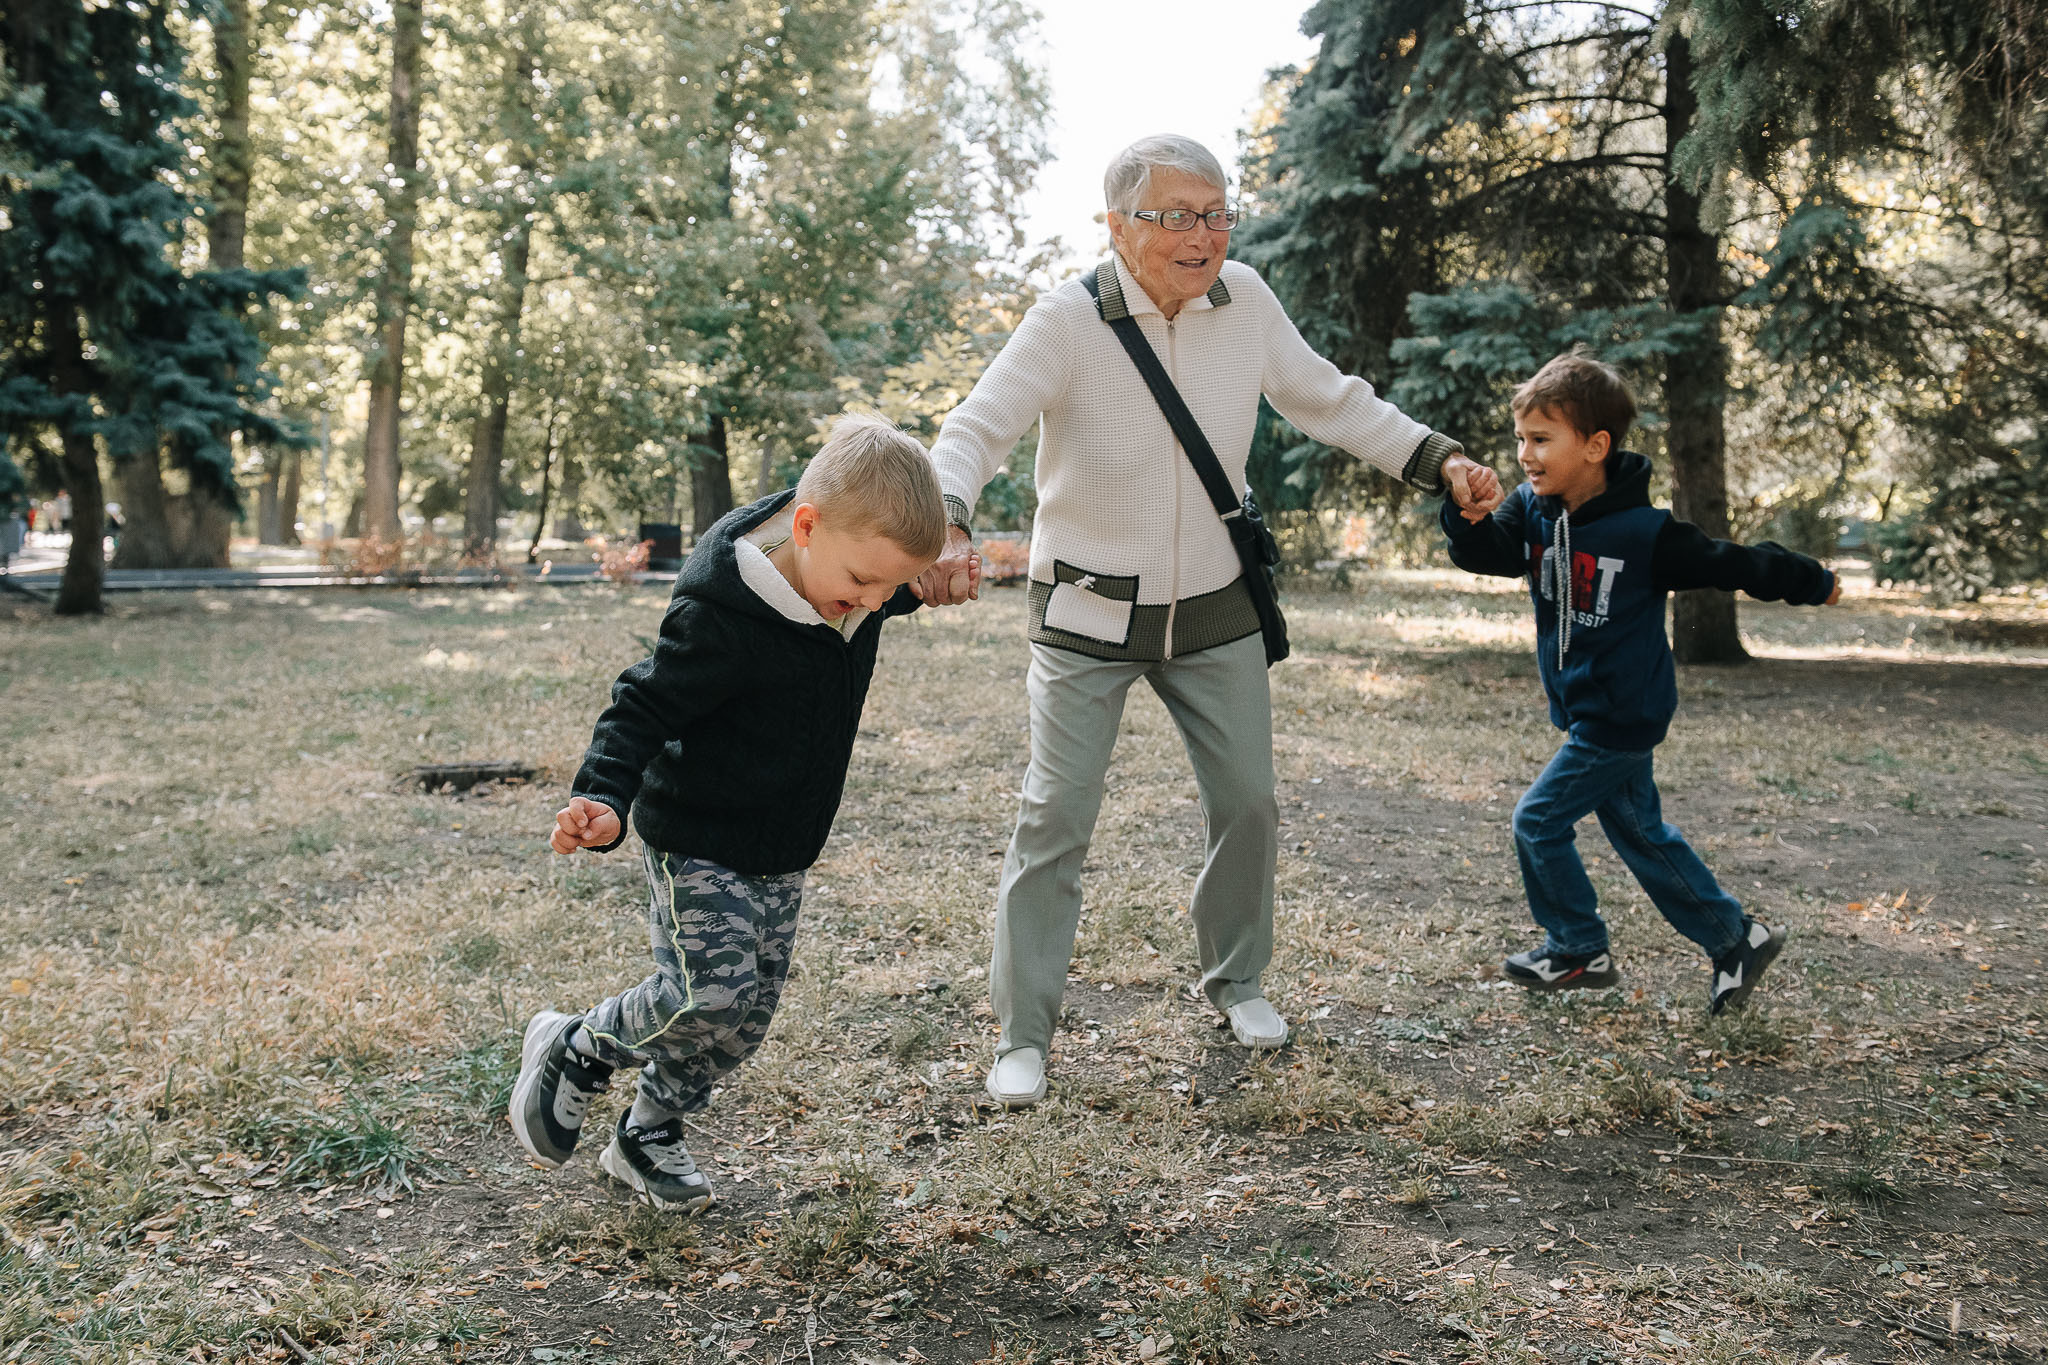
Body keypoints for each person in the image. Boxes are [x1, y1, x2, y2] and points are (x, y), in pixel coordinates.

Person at [915, 134, 1504, 1109]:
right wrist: (945, 519)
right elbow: (974, 428)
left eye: (1217, 211)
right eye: (1177, 215)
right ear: (1116, 227)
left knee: (1247, 804)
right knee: (1052, 817)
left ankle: (1236, 980)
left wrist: (1437, 458)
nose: (1204, 234)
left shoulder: (1247, 302)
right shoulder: (1066, 321)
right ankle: (1023, 1035)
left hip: (1215, 606)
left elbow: (1331, 400)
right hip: (1086, 606)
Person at [510, 413, 972, 1211]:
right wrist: (600, 794)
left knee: (743, 1019)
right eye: (865, 584)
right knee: (704, 994)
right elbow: (641, 707)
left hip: (783, 842)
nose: (871, 603)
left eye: (888, 589)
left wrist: (930, 579)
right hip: (700, 833)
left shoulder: (848, 575)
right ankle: (576, 1043)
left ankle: (648, 1132)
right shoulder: (722, 617)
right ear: (804, 525)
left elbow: (887, 580)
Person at [1440, 348, 1841, 1015]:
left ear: (1595, 445)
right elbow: (1484, 555)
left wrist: (1814, 580)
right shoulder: (1534, 512)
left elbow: (1734, 563)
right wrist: (1467, 516)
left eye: (1541, 439)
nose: (1525, 455)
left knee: (1537, 822)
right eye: (1520, 439)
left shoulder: (1643, 533)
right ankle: (1736, 939)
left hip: (1620, 713)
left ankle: (1578, 947)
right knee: (1642, 834)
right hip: (1586, 709)